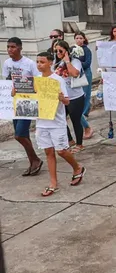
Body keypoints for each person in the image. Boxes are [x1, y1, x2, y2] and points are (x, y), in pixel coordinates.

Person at [27, 51, 85, 196]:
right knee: (48, 152)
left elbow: (67, 101)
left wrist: (60, 98)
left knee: (61, 151)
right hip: (41, 121)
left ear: (50, 63)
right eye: (37, 62)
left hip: (56, 121)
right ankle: (53, 182)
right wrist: (16, 92)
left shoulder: (57, 80)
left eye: (42, 62)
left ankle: (77, 168)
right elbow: (28, 97)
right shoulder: (35, 80)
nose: (39, 65)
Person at [4, 37, 42, 176]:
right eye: (8, 47)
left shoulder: (29, 63)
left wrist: (23, 86)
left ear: (20, 48)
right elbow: (6, 81)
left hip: (28, 101)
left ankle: (36, 159)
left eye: (13, 47)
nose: (10, 50)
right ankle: (32, 162)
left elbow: (37, 81)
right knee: (24, 134)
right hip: (14, 102)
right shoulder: (7, 63)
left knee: (19, 135)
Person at [52, 40, 86, 152]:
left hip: (75, 96)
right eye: (56, 50)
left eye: (60, 50)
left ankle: (79, 144)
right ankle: (70, 140)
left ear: (66, 51)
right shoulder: (55, 63)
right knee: (60, 119)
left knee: (75, 120)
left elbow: (74, 74)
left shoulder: (75, 61)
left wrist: (67, 61)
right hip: (62, 97)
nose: (58, 53)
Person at [73, 32, 95, 140]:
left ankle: (85, 112)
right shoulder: (73, 50)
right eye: (76, 38)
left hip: (85, 73)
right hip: (77, 74)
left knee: (86, 94)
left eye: (80, 38)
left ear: (84, 39)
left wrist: (76, 63)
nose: (78, 40)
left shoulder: (86, 50)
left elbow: (87, 63)